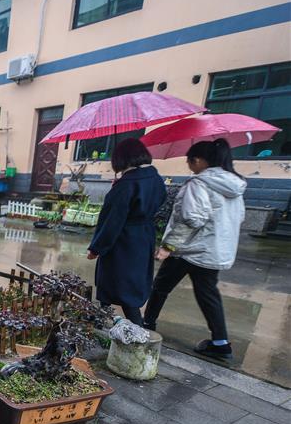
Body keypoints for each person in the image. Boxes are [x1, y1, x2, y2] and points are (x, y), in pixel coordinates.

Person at [143, 138, 246, 359]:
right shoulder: (234, 186)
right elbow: (239, 218)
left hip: (188, 250)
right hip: (214, 251)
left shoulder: (198, 184)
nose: (189, 166)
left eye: (189, 161)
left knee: (160, 287)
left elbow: (191, 219)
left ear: (198, 160)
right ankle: (221, 342)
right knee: (208, 295)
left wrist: (168, 246)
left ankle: (146, 325)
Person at [87, 138, 166, 325]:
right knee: (131, 283)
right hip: (144, 237)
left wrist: (96, 248)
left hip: (122, 242)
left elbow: (112, 221)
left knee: (117, 284)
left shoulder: (127, 185)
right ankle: (105, 319)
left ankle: (129, 327)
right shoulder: (155, 179)